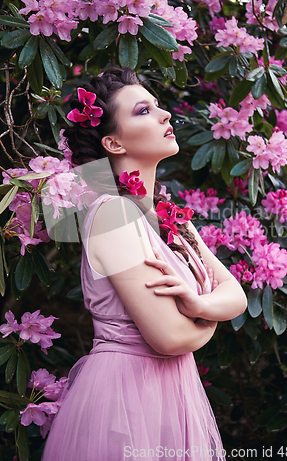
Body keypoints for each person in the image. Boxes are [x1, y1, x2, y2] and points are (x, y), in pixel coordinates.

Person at [41, 66, 247, 461]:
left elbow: (234, 294)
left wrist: (198, 307)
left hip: (173, 392)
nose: (165, 114)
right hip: (126, 397)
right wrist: (209, 320)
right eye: (142, 111)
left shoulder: (172, 219)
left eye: (157, 106)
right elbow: (169, 339)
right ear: (114, 144)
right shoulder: (112, 214)